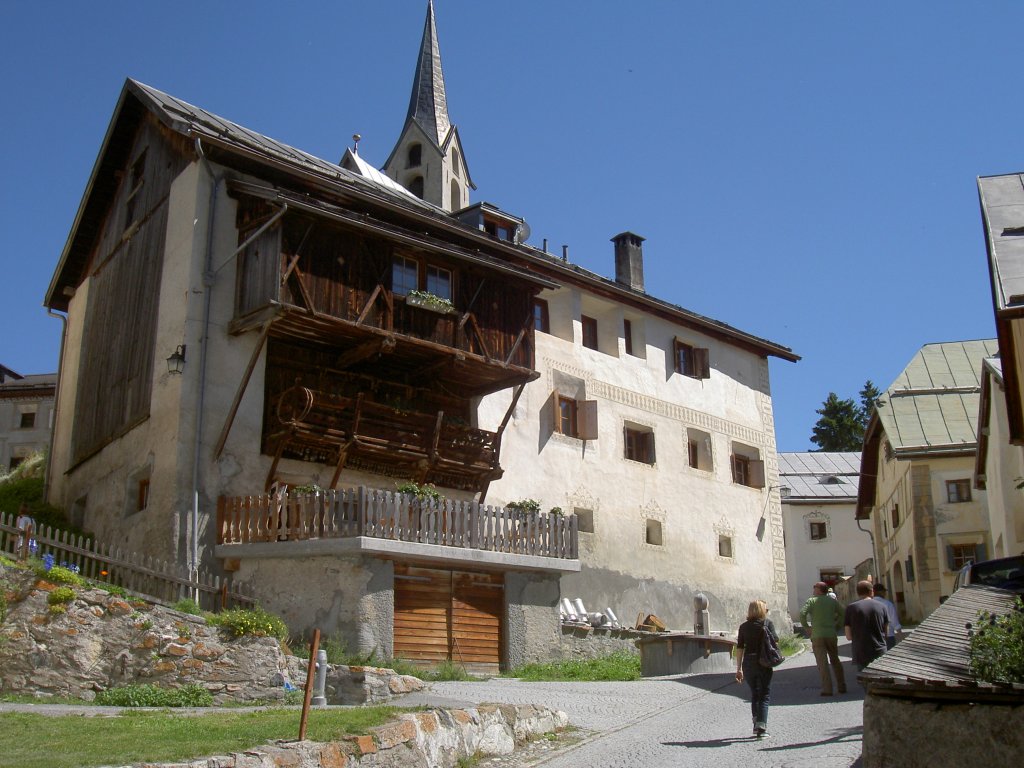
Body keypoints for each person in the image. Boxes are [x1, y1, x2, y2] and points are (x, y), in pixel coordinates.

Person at [735, 599, 778, 738]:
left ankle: (755, 723)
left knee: (755, 693)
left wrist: (738, 668)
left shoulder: (743, 627)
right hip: (763, 661)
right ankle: (761, 728)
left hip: (748, 662)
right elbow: (775, 640)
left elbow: (740, 647)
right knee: (764, 694)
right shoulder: (767, 623)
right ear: (762, 610)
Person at [799, 581, 847, 696]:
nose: (813, 589)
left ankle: (827, 689)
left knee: (822, 663)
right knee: (835, 660)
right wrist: (838, 625)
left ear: (819, 590)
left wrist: (807, 627)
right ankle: (842, 686)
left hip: (817, 635)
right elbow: (843, 613)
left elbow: (802, 614)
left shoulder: (812, 601)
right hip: (831, 633)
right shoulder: (832, 601)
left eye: (815, 587)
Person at [844, 580, 888, 673]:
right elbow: (886, 631)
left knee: (865, 680)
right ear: (871, 591)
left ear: (858, 592)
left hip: (861, 651)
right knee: (881, 679)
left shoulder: (851, 608)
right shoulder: (882, 606)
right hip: (879, 649)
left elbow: (848, 636)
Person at [871, 583, 902, 650]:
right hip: (888, 636)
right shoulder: (888, 604)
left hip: (873, 638)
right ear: (881, 592)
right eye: (884, 592)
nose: (885, 593)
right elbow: (894, 622)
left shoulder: (868, 604)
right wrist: (901, 636)